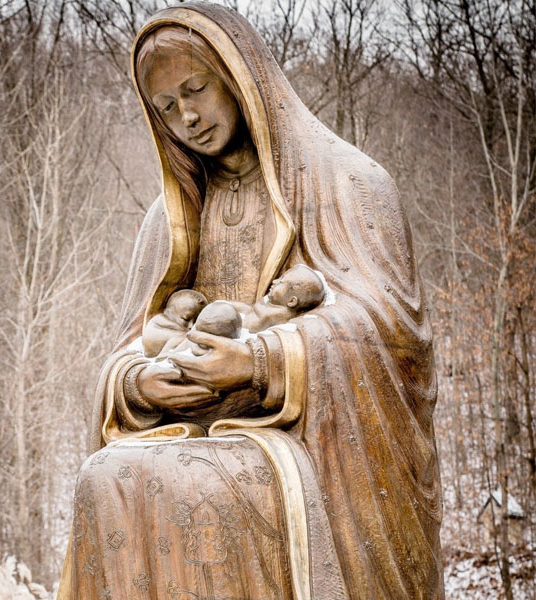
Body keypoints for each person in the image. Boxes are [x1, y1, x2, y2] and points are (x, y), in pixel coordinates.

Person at [58, 4, 443, 600]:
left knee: (199, 485)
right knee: (105, 477)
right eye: (166, 108)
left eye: (195, 89)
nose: (186, 116)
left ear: (238, 76)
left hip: (300, 448)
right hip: (189, 433)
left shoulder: (348, 183)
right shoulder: (170, 221)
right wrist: (138, 384)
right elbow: (128, 345)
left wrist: (260, 361)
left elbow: (395, 334)